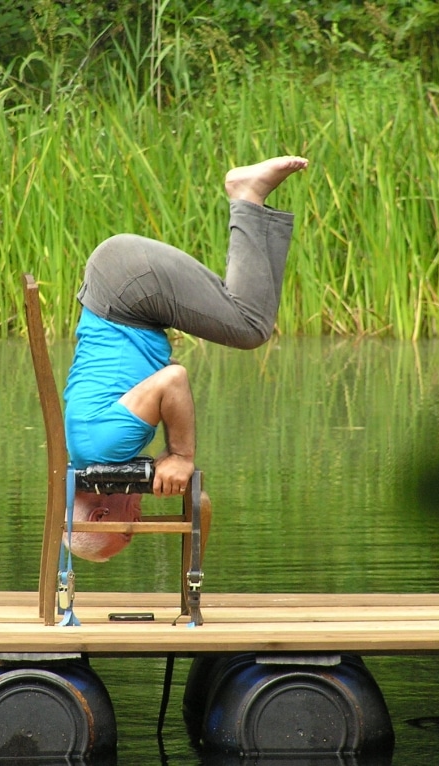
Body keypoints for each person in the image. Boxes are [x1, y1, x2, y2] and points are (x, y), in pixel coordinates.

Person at [63, 155, 308, 560]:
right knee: (251, 322)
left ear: (103, 514)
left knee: (249, 327)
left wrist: (181, 455)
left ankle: (246, 195)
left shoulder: (104, 448)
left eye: (129, 532)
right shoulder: (93, 458)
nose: (140, 524)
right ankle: (253, 199)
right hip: (124, 290)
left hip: (127, 286)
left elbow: (172, 379)